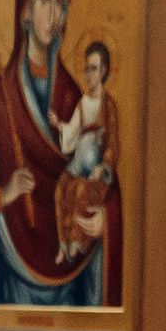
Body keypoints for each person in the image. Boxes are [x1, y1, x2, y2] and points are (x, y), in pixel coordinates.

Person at [0, 0, 121, 307]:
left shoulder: (78, 100)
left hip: (72, 287)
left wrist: (105, 221)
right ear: (25, 11)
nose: (53, 13)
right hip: (11, 287)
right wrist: (5, 196)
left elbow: (105, 175)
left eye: (62, 3)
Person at [53, 40, 118, 264]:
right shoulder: (83, 102)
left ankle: (76, 242)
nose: (89, 74)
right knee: (61, 187)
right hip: (79, 159)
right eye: (87, 69)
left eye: (94, 69)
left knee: (81, 189)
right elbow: (73, 130)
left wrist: (103, 168)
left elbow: (112, 143)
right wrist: (59, 125)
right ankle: (63, 245)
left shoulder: (108, 104)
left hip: (96, 169)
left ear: (103, 71)